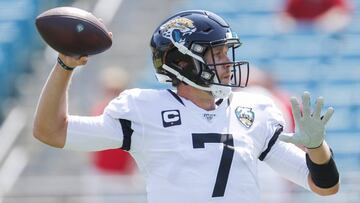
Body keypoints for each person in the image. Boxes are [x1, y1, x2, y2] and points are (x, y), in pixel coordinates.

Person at [33, 10, 339, 202]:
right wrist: (64, 66)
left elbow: (324, 186)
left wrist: (317, 147)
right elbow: (51, 131)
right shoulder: (142, 109)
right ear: (182, 63)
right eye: (216, 54)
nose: (228, 63)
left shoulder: (252, 110)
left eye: (226, 53)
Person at [90, 67, 136, 175]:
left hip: (125, 173)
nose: (113, 95)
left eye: (117, 90)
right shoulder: (99, 109)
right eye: (111, 90)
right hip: (100, 171)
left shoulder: (131, 112)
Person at [278, 0, 352, 33]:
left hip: (328, 40)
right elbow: (283, 19)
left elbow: (343, 15)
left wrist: (323, 24)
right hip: (300, 40)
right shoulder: (296, 2)